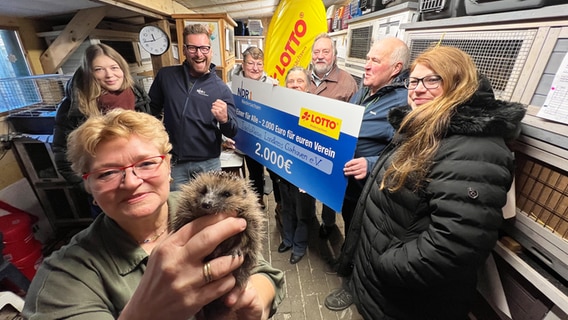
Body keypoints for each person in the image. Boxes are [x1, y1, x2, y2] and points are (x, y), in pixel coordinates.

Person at [324, 46, 526, 319]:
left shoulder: (473, 150)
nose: (418, 89)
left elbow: (452, 248)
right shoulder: (423, 127)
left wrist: (384, 263)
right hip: (385, 290)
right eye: (414, 81)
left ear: (459, 85)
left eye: (433, 80)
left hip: (407, 298)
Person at [23, 109, 285, 320]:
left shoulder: (205, 211)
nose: (131, 181)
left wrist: (257, 302)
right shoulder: (62, 279)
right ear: (88, 187)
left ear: (169, 167)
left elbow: (263, 271)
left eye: (146, 163)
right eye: (107, 173)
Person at [52, 43, 152, 216]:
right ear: (88, 73)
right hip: (106, 188)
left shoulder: (137, 96)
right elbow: (63, 156)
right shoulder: (74, 107)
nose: (109, 75)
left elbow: (151, 139)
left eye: (114, 67)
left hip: (139, 181)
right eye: (99, 69)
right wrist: (90, 188)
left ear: (122, 68)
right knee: (113, 236)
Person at [333, 37, 409, 236]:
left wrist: (371, 164)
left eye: (375, 61)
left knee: (362, 238)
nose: (366, 66)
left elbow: (409, 153)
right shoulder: (364, 89)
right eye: (368, 59)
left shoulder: (404, 103)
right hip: (350, 187)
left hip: (370, 193)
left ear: (395, 68)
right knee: (350, 230)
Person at [149, 23, 238, 191]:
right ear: (184, 50)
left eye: (204, 48)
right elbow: (150, 111)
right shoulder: (166, 76)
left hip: (208, 164)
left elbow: (232, 131)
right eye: (193, 48)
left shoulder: (221, 88)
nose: (199, 54)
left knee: (211, 212)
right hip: (174, 163)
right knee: (177, 211)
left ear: (211, 51)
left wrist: (225, 119)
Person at [308, 33, 358, 239]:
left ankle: (328, 223)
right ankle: (308, 218)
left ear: (334, 56)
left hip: (333, 149)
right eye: (316, 52)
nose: (320, 56)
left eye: (325, 52)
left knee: (329, 190)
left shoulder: (348, 84)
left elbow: (354, 123)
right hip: (305, 144)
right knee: (306, 185)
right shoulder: (302, 77)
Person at [229, 46, 282, 212]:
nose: (255, 68)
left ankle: (280, 205)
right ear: (243, 64)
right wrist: (226, 138)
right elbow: (223, 114)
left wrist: (279, 93)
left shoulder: (272, 85)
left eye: (259, 64)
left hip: (269, 139)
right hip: (245, 140)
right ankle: (257, 200)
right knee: (255, 173)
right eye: (251, 63)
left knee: (276, 174)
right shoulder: (230, 86)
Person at [276, 66, 316, 265]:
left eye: (300, 81)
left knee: (303, 213)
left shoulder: (317, 110)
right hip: (283, 169)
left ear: (308, 87)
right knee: (287, 208)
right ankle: (288, 239)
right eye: (291, 81)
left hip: (305, 174)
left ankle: (299, 246)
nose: (295, 85)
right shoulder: (280, 107)